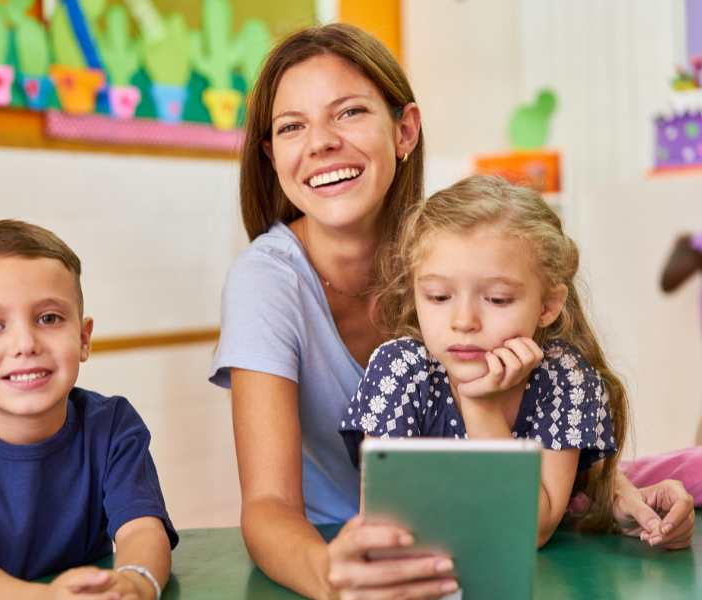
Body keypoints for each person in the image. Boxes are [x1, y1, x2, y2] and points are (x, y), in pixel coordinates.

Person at [209, 23, 696, 600]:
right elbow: (267, 507)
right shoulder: (267, 281)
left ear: (405, 130)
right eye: (292, 126)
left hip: (495, 545)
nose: (320, 142)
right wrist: (334, 577)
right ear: (272, 154)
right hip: (345, 554)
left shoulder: (457, 244)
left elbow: (541, 404)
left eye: (348, 113)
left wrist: (611, 490)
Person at [339, 175, 626, 547]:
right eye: (439, 297)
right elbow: (385, 526)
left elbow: (531, 531)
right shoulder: (400, 370)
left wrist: (480, 405)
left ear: (548, 305)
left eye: (498, 299)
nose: (464, 322)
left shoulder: (565, 379)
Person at [0, 220, 176, 600]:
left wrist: (135, 581)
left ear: (83, 338)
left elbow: (141, 529)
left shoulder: (113, 426)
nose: (25, 343)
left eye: (49, 318)